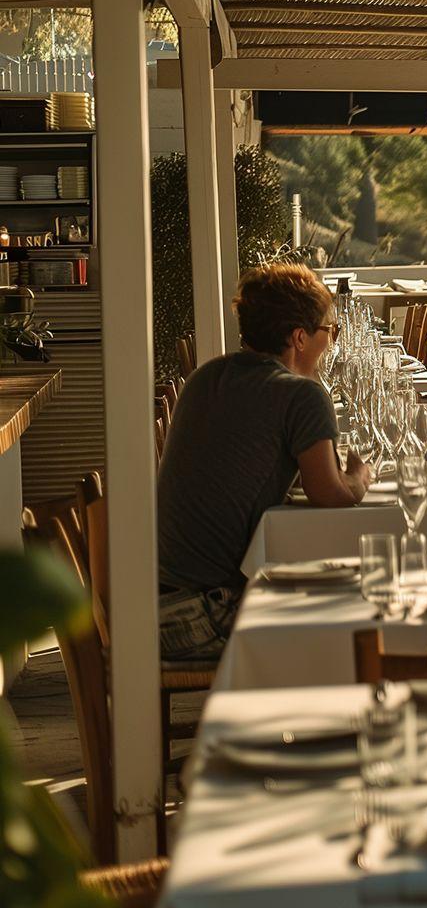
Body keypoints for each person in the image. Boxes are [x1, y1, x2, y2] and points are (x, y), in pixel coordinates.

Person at [156, 264, 370, 659]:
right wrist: (359, 476)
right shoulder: (301, 396)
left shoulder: (207, 376)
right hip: (201, 614)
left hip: (151, 602)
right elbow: (331, 496)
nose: (332, 341)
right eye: (330, 330)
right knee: (356, 615)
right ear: (299, 337)